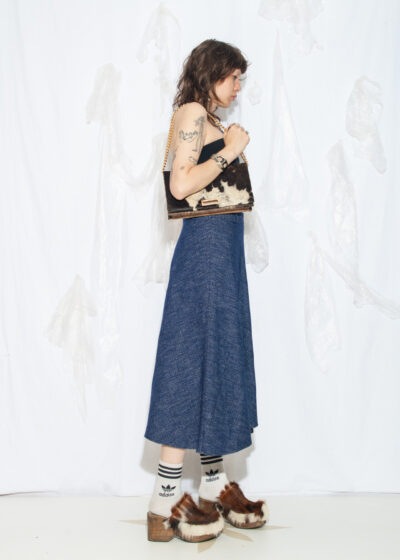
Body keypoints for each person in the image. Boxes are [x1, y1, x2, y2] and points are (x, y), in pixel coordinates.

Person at [145, 39, 269, 543]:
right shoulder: (193, 113)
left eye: (241, 78)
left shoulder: (210, 120)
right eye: (233, 76)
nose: (238, 87)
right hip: (204, 261)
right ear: (211, 72)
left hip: (224, 259)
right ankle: (165, 499)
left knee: (218, 361)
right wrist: (232, 151)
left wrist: (227, 143)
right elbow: (179, 186)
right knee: (188, 362)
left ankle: (214, 484)